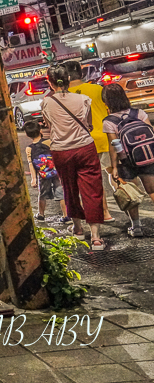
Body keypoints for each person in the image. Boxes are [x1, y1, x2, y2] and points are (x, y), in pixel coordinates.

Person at [41, 64, 105, 250]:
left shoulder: (46, 102)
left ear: (50, 82)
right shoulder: (83, 99)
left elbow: (49, 126)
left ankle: (78, 228)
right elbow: (89, 125)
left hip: (61, 151)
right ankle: (96, 237)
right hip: (85, 148)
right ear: (68, 79)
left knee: (69, 188)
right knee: (92, 190)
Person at [68, 60, 120, 222]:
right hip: (106, 138)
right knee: (116, 174)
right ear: (81, 74)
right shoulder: (98, 89)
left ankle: (105, 213)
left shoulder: (65, 96)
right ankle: (129, 204)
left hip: (84, 143)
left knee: (93, 181)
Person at [101, 83, 152, 238]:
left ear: (107, 102)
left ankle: (136, 227)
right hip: (146, 157)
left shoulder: (109, 121)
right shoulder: (139, 113)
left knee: (131, 194)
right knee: (152, 190)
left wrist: (114, 167)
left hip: (126, 162)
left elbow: (114, 145)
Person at [22, 120, 64, 223]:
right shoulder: (49, 142)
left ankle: (41, 214)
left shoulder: (29, 148)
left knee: (42, 194)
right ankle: (66, 215)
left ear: (27, 135)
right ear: (40, 131)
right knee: (60, 192)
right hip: (55, 172)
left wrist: (33, 179)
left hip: (43, 175)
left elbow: (31, 164)